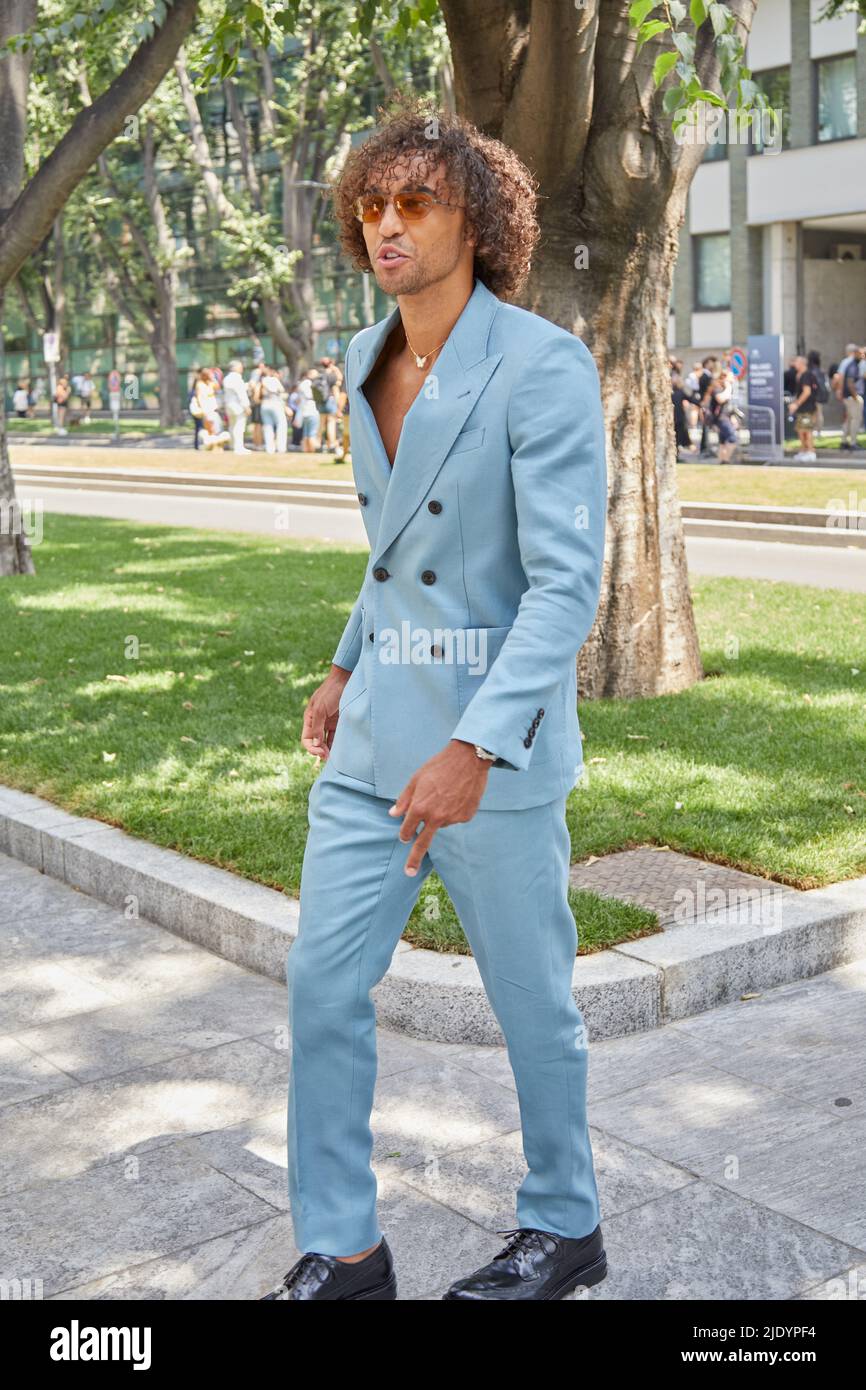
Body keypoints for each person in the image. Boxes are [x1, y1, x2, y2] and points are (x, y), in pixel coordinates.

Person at [258, 95, 607, 1304]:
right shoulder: (364, 359)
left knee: (530, 1000)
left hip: (487, 760)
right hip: (370, 744)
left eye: (416, 202)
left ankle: (565, 1226)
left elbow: (565, 588)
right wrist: (348, 660)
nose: (386, 224)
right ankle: (346, 1249)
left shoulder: (542, 364)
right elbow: (389, 551)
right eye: (370, 205)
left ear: (480, 217)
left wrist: (473, 745)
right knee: (320, 984)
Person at [835, 343, 864, 452]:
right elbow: (849, 382)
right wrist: (856, 396)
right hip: (852, 397)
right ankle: (853, 443)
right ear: (855, 353)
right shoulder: (852, 365)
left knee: (849, 420)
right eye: (860, 354)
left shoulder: (852, 364)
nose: (862, 356)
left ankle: (844, 441)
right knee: (855, 420)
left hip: (849, 396)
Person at [789, 354, 818, 461]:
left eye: (796, 362)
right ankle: (803, 451)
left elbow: (807, 392)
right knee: (801, 430)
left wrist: (796, 404)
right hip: (804, 409)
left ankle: (810, 452)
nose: (794, 364)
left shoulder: (806, 375)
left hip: (807, 408)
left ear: (802, 363)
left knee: (806, 430)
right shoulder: (801, 375)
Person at [193, 367, 229, 450]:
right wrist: (202, 410)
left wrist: (213, 379)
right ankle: (211, 446)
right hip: (206, 410)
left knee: (217, 428)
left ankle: (216, 446)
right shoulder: (200, 384)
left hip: (213, 409)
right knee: (210, 428)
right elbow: (199, 398)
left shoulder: (211, 383)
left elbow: (218, 387)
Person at [222, 358, 251, 453]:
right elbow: (241, 393)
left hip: (229, 405)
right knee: (239, 427)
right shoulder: (237, 378)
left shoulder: (227, 378)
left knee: (232, 426)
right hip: (238, 406)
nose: (242, 368)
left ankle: (232, 445)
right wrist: (246, 406)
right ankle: (239, 447)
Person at [259, 364, 290, 453]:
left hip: (265, 403)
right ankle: (281, 448)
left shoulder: (263, 380)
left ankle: (270, 448)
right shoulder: (274, 380)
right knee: (281, 425)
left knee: (267, 426)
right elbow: (281, 391)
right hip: (275, 402)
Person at [298, 369, 321, 452]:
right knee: (312, 433)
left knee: (306, 433)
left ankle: (305, 450)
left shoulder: (302, 384)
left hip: (305, 411)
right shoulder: (311, 384)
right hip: (313, 410)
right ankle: (312, 451)